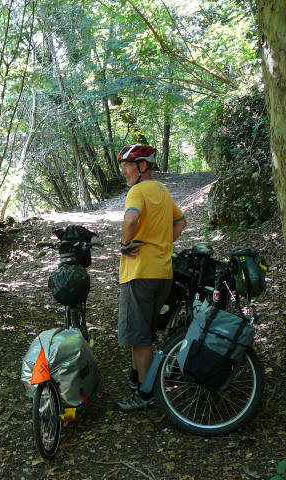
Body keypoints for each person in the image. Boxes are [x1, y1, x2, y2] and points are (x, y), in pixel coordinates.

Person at [114, 143, 187, 411]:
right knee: (143, 331)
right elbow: (181, 221)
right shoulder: (162, 190)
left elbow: (131, 219)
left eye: (127, 166)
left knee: (139, 335)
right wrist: (163, 244)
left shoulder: (137, 191)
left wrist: (125, 244)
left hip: (140, 273)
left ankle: (145, 394)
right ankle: (137, 379)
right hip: (163, 273)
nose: (124, 172)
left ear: (142, 166)